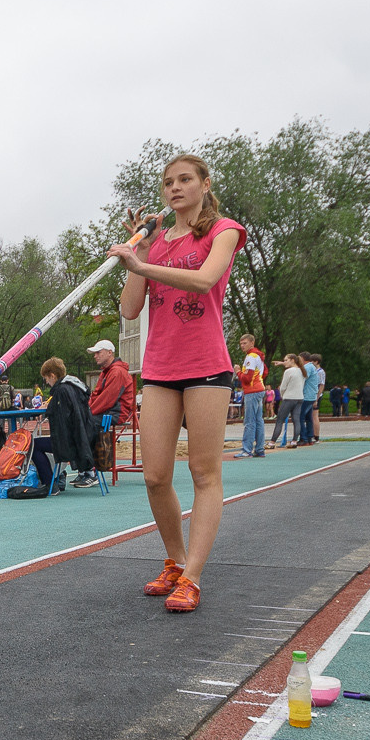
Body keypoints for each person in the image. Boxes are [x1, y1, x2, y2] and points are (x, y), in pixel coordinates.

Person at [106, 153, 246, 614]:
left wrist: (143, 267)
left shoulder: (223, 230)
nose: (175, 188)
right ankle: (175, 559)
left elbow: (205, 281)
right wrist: (140, 257)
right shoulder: (157, 241)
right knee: (154, 475)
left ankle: (193, 577)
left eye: (185, 179)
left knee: (204, 473)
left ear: (205, 184)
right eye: (168, 182)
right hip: (161, 369)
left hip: (206, 366)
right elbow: (130, 310)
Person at [41, 357, 97, 488]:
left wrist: (48, 409)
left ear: (52, 376)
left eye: (46, 379)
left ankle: (49, 483)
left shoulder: (61, 391)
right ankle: (66, 476)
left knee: (33, 446)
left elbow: (60, 421)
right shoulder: (75, 387)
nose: (47, 382)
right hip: (83, 436)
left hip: (70, 442)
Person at [84, 339, 135, 481]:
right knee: (84, 421)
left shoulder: (116, 372)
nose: (95, 356)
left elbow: (107, 399)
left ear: (109, 353)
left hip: (115, 413)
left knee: (87, 423)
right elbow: (96, 395)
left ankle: (90, 470)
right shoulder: (107, 372)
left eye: (98, 352)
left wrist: (87, 412)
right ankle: (86, 469)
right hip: (109, 411)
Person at [232, 333, 265, 458]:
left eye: (244, 343)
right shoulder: (258, 355)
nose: (242, 346)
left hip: (252, 390)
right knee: (258, 420)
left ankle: (247, 450)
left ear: (252, 343)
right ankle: (260, 448)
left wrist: (238, 371)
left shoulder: (251, 357)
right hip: (259, 388)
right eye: (241, 344)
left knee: (249, 421)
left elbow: (247, 378)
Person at [298, 353, 323, 444]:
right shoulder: (312, 367)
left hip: (307, 396)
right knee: (309, 418)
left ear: (303, 358)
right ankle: (309, 437)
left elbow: (302, 378)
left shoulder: (307, 367)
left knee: (300, 417)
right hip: (311, 395)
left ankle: (303, 438)